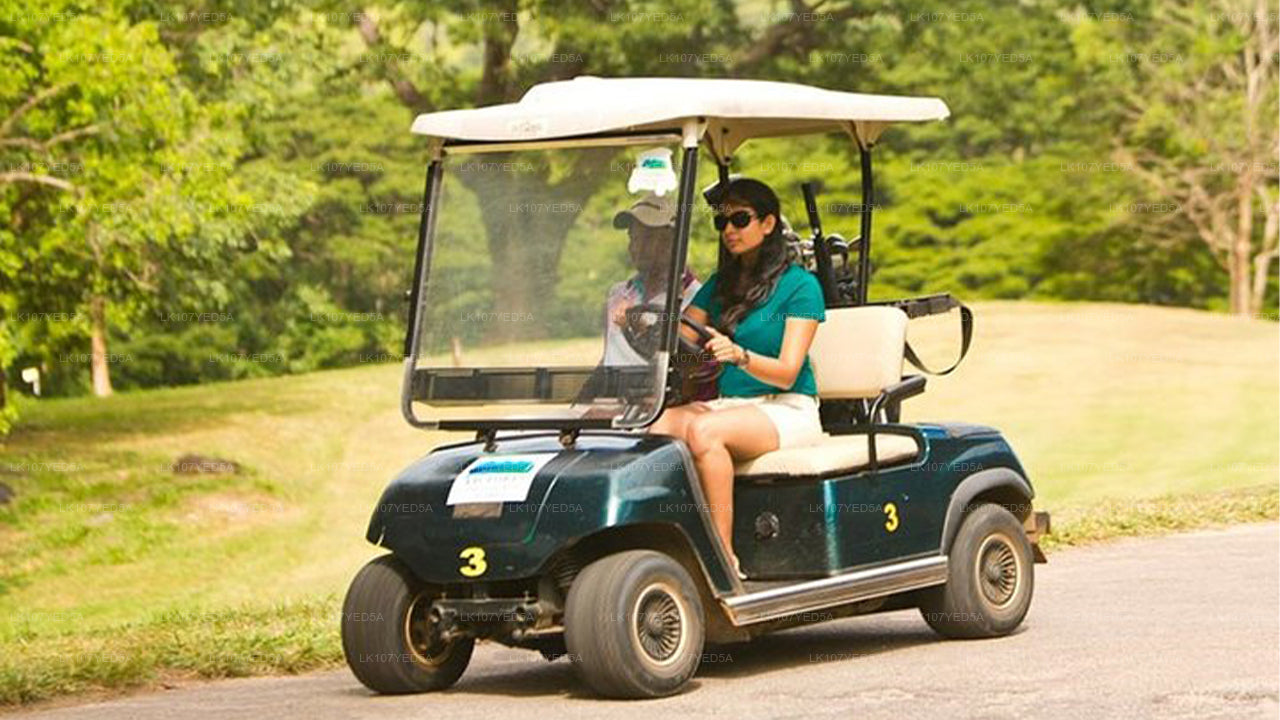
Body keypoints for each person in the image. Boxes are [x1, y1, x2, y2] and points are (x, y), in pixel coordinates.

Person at [649, 178, 826, 577]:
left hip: (788, 409)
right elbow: (682, 335)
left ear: (768, 223)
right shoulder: (721, 285)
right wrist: (648, 328)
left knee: (705, 431)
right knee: (656, 424)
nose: (729, 229)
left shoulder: (801, 286)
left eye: (740, 219)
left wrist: (740, 356)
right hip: (733, 406)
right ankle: (666, 542)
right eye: (722, 222)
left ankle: (722, 559)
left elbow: (787, 373)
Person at [602, 193, 701, 366]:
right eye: (633, 237)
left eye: (647, 238)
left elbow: (683, 367)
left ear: (673, 242)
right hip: (613, 384)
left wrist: (639, 327)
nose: (636, 247)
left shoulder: (697, 299)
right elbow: (609, 357)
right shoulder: (617, 293)